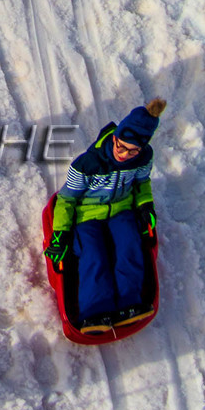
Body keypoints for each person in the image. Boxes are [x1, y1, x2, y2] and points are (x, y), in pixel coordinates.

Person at [47, 97, 165, 327]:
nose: (125, 154)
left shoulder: (143, 158)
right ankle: (95, 310)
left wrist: (145, 206)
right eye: (122, 146)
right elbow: (67, 199)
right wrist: (60, 233)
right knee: (94, 254)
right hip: (87, 215)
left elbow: (142, 183)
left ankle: (130, 302)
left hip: (122, 210)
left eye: (133, 151)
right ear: (114, 138)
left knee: (129, 245)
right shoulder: (87, 164)